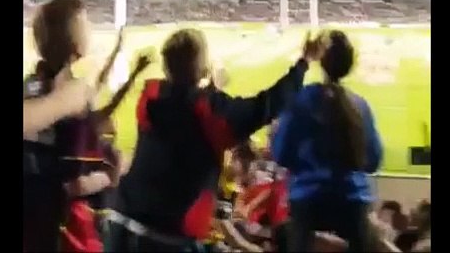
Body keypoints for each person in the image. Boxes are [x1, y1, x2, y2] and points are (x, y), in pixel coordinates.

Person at [105, 29, 325, 252]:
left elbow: (182, 107)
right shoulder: (210, 111)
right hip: (169, 238)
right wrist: (303, 62)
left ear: (164, 67)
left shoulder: (149, 99)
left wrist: (210, 88)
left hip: (122, 225)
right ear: (203, 68)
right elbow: (265, 106)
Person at [22, 0, 148, 252]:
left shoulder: (32, 84)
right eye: (86, 25)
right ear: (76, 46)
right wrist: (111, 172)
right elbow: (74, 181)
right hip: (66, 223)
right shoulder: (73, 92)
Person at [272, 31, 384, 252]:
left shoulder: (302, 100)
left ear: (321, 62)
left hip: (308, 204)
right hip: (354, 204)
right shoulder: (360, 106)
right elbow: (373, 161)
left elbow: (281, 153)